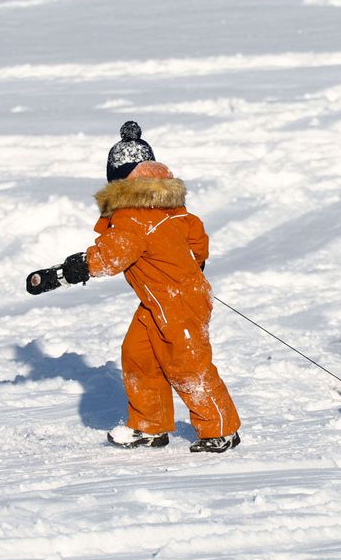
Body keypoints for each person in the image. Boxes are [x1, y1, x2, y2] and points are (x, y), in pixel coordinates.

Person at [59, 121, 241, 453]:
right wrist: (195, 262)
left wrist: (79, 267)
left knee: (188, 365)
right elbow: (196, 235)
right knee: (138, 355)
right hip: (160, 302)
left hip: (178, 303)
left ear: (116, 180)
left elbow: (112, 255)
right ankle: (149, 425)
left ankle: (220, 429)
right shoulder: (169, 205)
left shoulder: (132, 216)